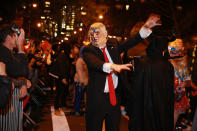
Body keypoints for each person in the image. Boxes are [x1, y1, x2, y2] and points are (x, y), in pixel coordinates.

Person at [82, 14, 161, 131]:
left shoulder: (113, 45)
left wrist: (145, 27)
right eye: (92, 34)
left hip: (114, 98)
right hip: (97, 99)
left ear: (105, 34)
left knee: (114, 128)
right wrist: (113, 66)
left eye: (97, 33)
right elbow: (96, 63)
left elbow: (131, 42)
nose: (94, 36)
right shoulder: (89, 50)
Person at [127, 34, 175, 131]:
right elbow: (170, 89)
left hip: (143, 106)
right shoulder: (168, 65)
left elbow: (134, 86)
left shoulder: (142, 63)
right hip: (161, 106)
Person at [0, 23, 30, 131]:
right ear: (9, 37)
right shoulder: (3, 51)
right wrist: (21, 47)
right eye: (16, 36)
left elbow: (11, 74)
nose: (19, 39)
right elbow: (23, 71)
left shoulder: (7, 52)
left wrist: (22, 83)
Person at [168, 38, 191, 127]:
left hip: (178, 96)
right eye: (171, 50)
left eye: (175, 50)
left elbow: (188, 81)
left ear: (180, 51)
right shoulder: (165, 63)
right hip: (166, 95)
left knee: (171, 124)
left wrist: (184, 84)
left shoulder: (183, 64)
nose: (172, 53)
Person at [50, 42, 71, 116]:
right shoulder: (62, 56)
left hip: (61, 77)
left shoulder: (63, 55)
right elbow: (62, 68)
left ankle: (61, 106)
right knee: (59, 93)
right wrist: (63, 78)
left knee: (62, 92)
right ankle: (56, 108)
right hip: (60, 77)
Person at [74, 46, 88, 116]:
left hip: (85, 81)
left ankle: (86, 110)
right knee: (78, 97)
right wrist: (83, 82)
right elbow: (79, 72)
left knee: (86, 98)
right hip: (79, 81)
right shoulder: (80, 60)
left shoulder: (86, 60)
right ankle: (77, 110)